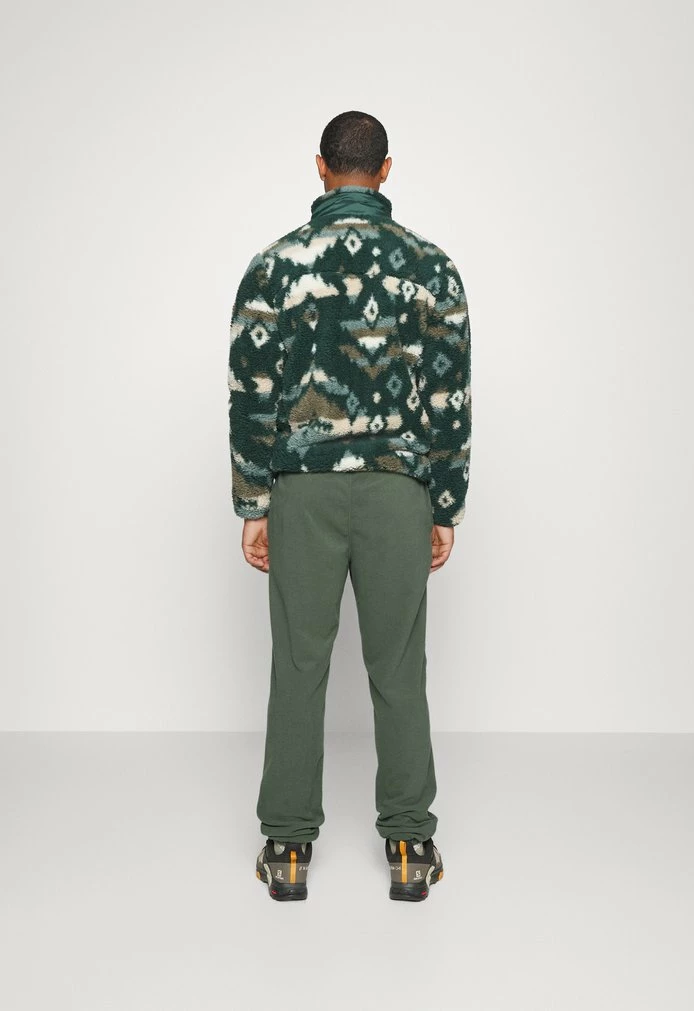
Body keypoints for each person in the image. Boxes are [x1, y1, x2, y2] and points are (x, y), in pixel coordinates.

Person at [227, 110, 472, 902]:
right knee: (398, 665)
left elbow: (250, 392)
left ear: (322, 167)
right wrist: (445, 504)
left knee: (299, 663)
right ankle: (409, 844)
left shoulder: (275, 265)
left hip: (302, 490)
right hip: (400, 491)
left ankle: (286, 848)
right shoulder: (432, 269)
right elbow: (451, 395)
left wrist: (253, 501)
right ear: (386, 169)